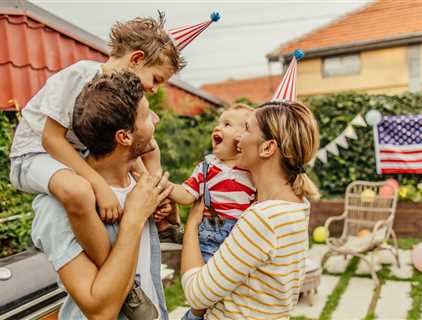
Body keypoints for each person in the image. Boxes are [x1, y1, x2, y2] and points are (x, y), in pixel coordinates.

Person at [9, 13, 184, 316]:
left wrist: (152, 189)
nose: (154, 90)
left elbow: (124, 154)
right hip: (32, 155)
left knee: (81, 187)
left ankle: (128, 273)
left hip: (64, 159)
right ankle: (123, 284)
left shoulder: (111, 100)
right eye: (156, 79)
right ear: (137, 58)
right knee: (79, 191)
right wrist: (99, 185)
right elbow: (52, 139)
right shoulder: (82, 75)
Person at [31, 71, 173, 319]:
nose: (156, 119)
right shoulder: (59, 206)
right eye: (147, 115)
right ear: (124, 136)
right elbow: (100, 312)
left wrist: (165, 215)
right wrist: (134, 218)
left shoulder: (138, 183)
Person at [181, 101, 320, 319]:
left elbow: (196, 295)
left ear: (267, 148)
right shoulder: (296, 204)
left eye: (246, 128)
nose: (238, 139)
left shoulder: (263, 219)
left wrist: (191, 225)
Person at [166, 104, 256, 319]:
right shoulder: (207, 167)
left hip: (239, 240)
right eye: (218, 123)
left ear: (244, 136)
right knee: (202, 298)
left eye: (226, 124)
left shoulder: (252, 169)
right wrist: (162, 186)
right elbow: (187, 196)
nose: (217, 128)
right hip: (208, 237)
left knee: (230, 298)